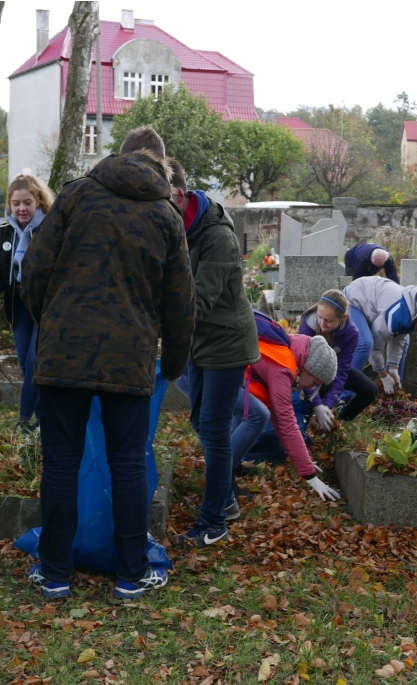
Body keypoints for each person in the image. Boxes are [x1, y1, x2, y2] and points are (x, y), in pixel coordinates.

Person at [20, 125, 195, 599]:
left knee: (60, 464)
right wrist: (175, 365)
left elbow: (34, 269)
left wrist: (50, 323)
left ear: (119, 156)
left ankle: (55, 573)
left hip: (63, 355)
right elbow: (181, 301)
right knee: (128, 465)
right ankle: (131, 574)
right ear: (163, 165)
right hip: (129, 358)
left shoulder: (75, 198)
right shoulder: (165, 215)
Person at [163, 158, 260, 549]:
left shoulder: (217, 234)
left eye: (160, 199)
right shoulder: (173, 226)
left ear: (180, 195)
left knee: (215, 431)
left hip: (225, 342)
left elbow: (199, 301)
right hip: (197, 341)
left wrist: (155, 322)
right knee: (201, 424)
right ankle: (227, 498)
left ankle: (214, 521)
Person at [0, 174, 54, 433]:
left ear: (39, 201)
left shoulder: (51, 228)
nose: (21, 208)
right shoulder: (2, 232)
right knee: (24, 364)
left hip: (44, 306)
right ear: (9, 203)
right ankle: (43, 420)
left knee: (34, 361)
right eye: (16, 203)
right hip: (18, 305)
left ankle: (24, 421)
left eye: (27, 203)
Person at [241, 312, 341, 502]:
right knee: (256, 416)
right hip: (211, 376)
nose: (311, 387)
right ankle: (224, 484)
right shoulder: (283, 367)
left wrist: (304, 462)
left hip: (222, 376)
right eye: (315, 381)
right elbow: (286, 421)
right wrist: (311, 477)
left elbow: (279, 418)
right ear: (309, 367)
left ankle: (230, 468)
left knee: (258, 414)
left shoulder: (287, 348)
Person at [297, 289, 376, 428]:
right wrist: (317, 405)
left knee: (370, 390)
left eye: (328, 321)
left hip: (333, 370)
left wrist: (328, 405)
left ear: (343, 318)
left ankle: (337, 422)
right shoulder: (309, 324)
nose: (322, 323)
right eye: (320, 317)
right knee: (320, 385)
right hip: (307, 373)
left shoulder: (351, 334)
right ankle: (303, 425)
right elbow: (303, 367)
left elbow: (342, 372)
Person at [343, 276, 417, 395]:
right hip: (354, 300)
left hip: (374, 305)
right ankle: (345, 396)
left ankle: (395, 389)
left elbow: (399, 337)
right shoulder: (397, 314)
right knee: (365, 343)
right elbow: (374, 347)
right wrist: (383, 375)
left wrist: (393, 368)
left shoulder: (411, 314)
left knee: (406, 339)